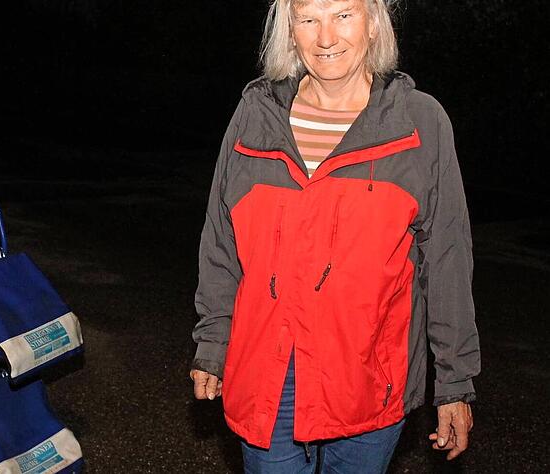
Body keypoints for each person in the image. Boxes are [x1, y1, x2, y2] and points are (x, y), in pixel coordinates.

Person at [190, 0, 480, 472]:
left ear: (373, 23)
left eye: (343, 14)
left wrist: (454, 381)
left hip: (368, 374)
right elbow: (221, 243)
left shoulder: (419, 122)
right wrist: (213, 343)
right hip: (269, 371)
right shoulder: (254, 116)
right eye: (308, 19)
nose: (326, 38)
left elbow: (446, 258)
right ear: (289, 30)